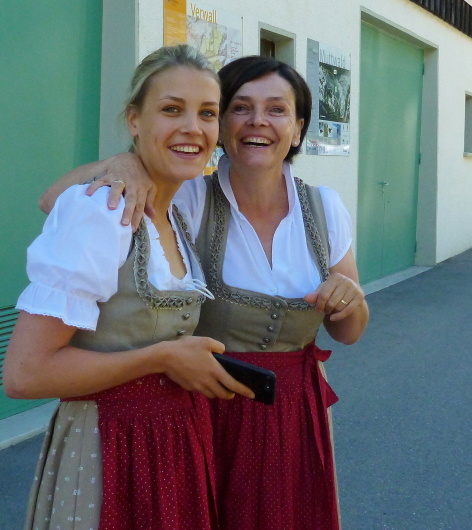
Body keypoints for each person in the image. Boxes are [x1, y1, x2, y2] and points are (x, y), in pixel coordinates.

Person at [39, 55, 369, 530]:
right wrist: (124, 161)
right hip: (206, 407)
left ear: (298, 130)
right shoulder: (191, 196)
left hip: (293, 411)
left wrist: (351, 298)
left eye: (277, 110)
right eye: (240, 107)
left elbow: (349, 332)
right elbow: (55, 201)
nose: (258, 121)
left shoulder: (324, 208)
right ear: (223, 126)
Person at [4, 45, 255, 529]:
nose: (192, 127)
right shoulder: (100, 212)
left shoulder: (179, 214)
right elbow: (25, 374)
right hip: (107, 450)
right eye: (171, 109)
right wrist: (160, 359)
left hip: (176, 445)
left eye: (207, 113)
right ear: (134, 119)